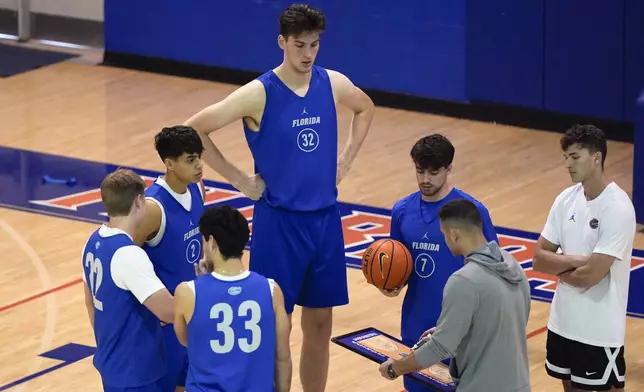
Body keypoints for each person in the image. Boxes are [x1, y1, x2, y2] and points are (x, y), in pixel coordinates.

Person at [183, 4, 375, 390]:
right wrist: (239, 179)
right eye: (300, 45)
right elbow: (194, 129)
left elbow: (365, 107)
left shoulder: (332, 82)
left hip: (324, 222)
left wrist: (346, 160)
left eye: (314, 45)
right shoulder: (259, 93)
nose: (308, 54)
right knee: (275, 327)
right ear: (281, 43)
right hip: (279, 225)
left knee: (320, 324)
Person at [382, 134, 499, 392]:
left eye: (434, 172)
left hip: (462, 332)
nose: (425, 179)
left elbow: (494, 272)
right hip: (416, 326)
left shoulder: (472, 212)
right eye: (420, 171)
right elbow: (397, 265)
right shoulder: (401, 211)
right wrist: (392, 284)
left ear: (449, 169)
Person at [378, 198, 532, 392]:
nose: (445, 240)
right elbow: (509, 322)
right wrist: (453, 328)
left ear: (454, 234)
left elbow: (439, 348)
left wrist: (395, 368)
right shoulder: (513, 265)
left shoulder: (464, 280)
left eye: (444, 234)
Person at [532, 124, 636, 392]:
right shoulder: (565, 199)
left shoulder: (618, 208)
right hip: (562, 324)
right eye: (566, 157)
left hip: (598, 333)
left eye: (575, 157)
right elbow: (538, 259)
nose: (568, 164)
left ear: (596, 157)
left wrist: (562, 265)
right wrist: (577, 260)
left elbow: (590, 277)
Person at [173, 205, 292, 392]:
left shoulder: (187, 292)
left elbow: (188, 340)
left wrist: (205, 283)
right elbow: (282, 358)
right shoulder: (272, 290)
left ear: (211, 242)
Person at [81, 168, 175, 392]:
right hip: (136, 372)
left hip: (113, 363)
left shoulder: (91, 242)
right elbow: (168, 312)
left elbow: (90, 301)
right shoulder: (128, 254)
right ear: (140, 201)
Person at [133, 125, 207, 392]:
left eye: (199, 156)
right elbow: (125, 259)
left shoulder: (197, 189)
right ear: (169, 163)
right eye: (190, 160)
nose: (199, 165)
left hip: (193, 314)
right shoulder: (153, 208)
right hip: (162, 325)